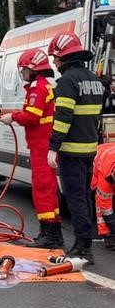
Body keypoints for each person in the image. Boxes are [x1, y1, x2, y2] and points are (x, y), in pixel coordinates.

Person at [47, 32, 105, 262]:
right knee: (84, 196)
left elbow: (62, 118)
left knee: (76, 199)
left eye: (55, 58)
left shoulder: (67, 82)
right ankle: (85, 241)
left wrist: (53, 148)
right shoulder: (93, 79)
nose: (54, 63)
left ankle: (83, 247)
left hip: (71, 151)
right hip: (90, 149)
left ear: (64, 58)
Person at [0, 48, 62, 248]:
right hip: (43, 145)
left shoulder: (37, 88)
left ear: (33, 69)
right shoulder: (44, 85)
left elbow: (32, 117)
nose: (23, 73)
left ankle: (49, 235)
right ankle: (52, 232)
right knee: (48, 189)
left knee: (43, 189)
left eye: (24, 69)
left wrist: (13, 117)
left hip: (41, 147)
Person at [91, 142, 115, 249]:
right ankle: (106, 233)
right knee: (101, 201)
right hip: (96, 161)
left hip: (108, 153)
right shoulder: (105, 176)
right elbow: (105, 207)